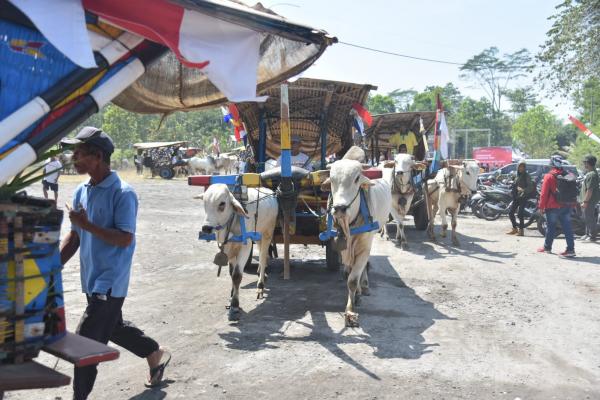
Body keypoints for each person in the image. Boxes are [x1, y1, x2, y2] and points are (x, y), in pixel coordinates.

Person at [60, 127, 170, 400]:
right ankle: (154, 353)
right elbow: (75, 236)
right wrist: (52, 265)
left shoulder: (123, 193)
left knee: (85, 342)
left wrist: (87, 224)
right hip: (91, 278)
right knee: (113, 327)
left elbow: (124, 239)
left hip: (110, 282)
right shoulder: (81, 190)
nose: (74, 158)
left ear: (97, 156)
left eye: (79, 153)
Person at [537, 155, 576, 258]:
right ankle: (571, 250)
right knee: (567, 227)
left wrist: (541, 207)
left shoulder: (549, 176)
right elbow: (573, 190)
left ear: (551, 164)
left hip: (552, 206)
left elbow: (544, 193)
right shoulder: (569, 174)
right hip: (566, 205)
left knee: (551, 227)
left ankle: (547, 247)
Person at [506, 160, 534, 236]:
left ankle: (521, 231)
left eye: (522, 167)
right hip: (516, 197)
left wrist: (523, 190)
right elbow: (515, 184)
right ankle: (515, 229)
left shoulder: (526, 175)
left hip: (523, 197)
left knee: (520, 214)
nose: (521, 168)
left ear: (525, 167)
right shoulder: (517, 175)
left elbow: (530, 186)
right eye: (520, 166)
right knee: (511, 213)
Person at [580, 155, 599, 242]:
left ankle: (592, 236)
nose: (584, 164)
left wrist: (585, 201)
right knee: (587, 217)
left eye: (585, 162)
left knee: (589, 217)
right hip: (588, 200)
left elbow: (590, 190)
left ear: (588, 163)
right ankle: (587, 234)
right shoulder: (591, 173)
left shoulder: (592, 175)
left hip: (589, 200)